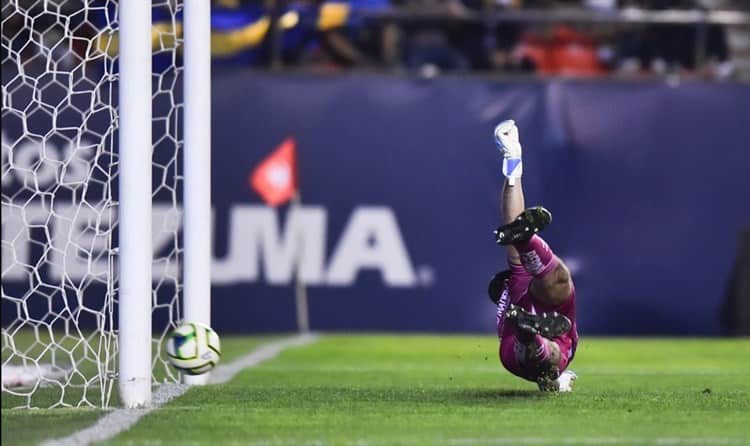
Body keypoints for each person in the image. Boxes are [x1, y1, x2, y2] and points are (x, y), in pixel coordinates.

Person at [488, 120, 580, 392]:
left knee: (550, 357)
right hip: (534, 333)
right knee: (559, 281)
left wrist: (513, 160)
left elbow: (511, 223)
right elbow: (511, 221)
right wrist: (513, 161)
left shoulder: (516, 284)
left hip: (513, 346)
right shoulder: (516, 282)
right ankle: (530, 335)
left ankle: (529, 333)